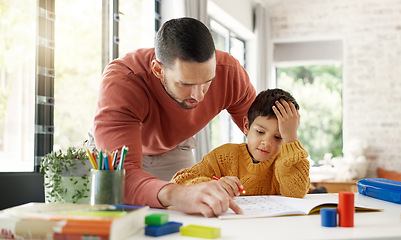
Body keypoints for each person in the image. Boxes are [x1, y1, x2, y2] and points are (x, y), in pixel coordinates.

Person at [92, 17, 256, 217]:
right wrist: (179, 194)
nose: (199, 95)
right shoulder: (123, 82)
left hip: (174, 145)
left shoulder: (229, 72)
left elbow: (262, 131)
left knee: (193, 214)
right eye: (186, 84)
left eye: (207, 81)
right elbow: (120, 176)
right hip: (117, 154)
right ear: (158, 70)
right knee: (122, 219)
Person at [172, 88, 310, 198]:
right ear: (246, 126)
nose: (267, 143)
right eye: (260, 132)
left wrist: (291, 138)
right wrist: (213, 184)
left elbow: (296, 193)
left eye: (278, 137)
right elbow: (179, 182)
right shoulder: (224, 156)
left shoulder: (288, 161)